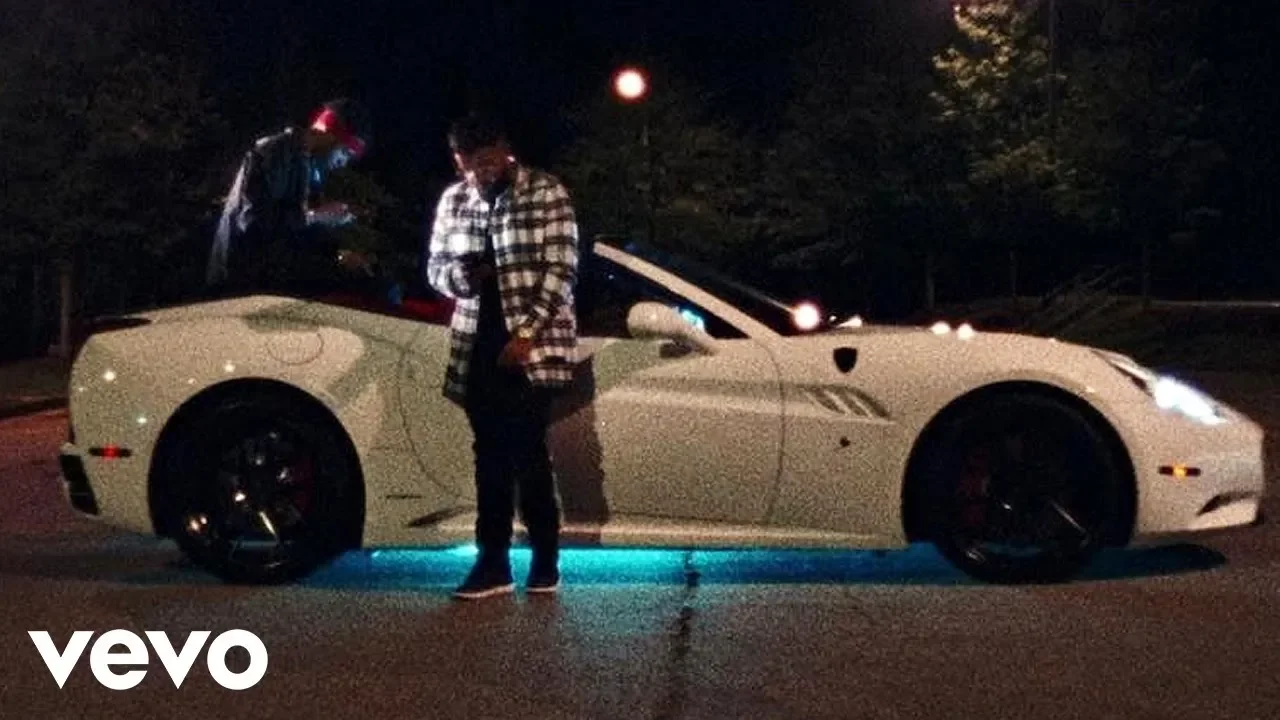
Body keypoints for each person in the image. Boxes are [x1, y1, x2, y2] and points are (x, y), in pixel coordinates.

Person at [426, 112, 579, 600]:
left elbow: (562, 268)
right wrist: (462, 278)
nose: (484, 171)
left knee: (528, 448)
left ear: (505, 149)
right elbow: (435, 268)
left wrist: (528, 332)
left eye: (490, 159)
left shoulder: (546, 192)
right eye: (473, 164)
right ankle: (492, 562)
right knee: (488, 455)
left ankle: (545, 559)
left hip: (533, 345)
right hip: (477, 342)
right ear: (459, 162)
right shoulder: (454, 200)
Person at [206, 97, 373, 295]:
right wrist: (316, 216)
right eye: (345, 152)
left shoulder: (307, 165)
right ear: (330, 133)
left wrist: (337, 256)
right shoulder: (278, 152)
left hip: (264, 281)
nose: (342, 162)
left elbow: (295, 231)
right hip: (240, 284)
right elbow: (255, 224)